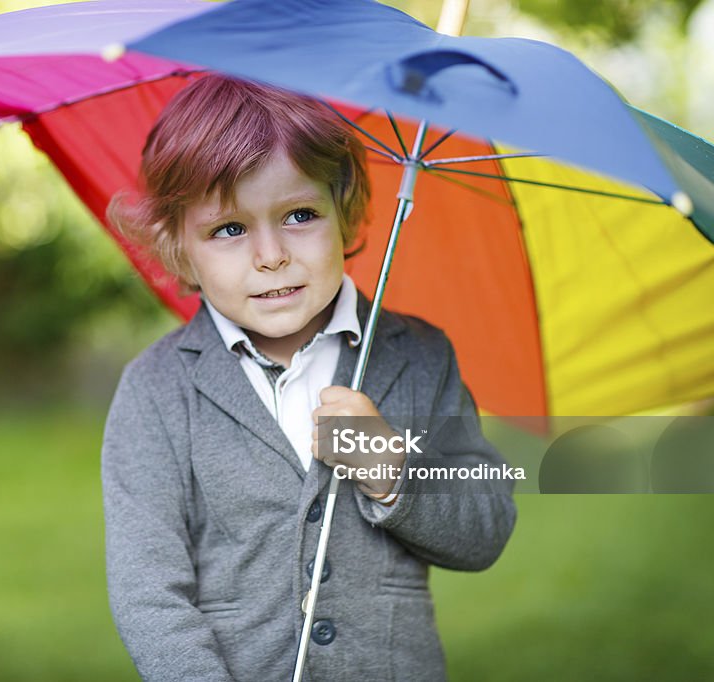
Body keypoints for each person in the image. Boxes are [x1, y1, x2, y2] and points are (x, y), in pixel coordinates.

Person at [101, 74, 516, 682]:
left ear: (345, 217)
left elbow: (486, 529)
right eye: (230, 229)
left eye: (299, 214)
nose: (270, 255)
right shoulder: (157, 390)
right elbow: (148, 592)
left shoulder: (420, 356)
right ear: (180, 248)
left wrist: (392, 472)